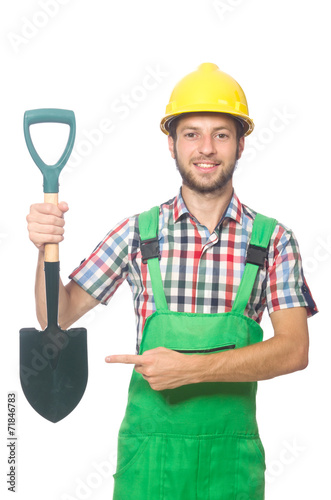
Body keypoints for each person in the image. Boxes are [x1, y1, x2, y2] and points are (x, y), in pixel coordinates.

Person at [27, 63, 317, 499]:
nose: (206, 148)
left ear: (241, 143)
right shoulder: (136, 233)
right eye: (191, 133)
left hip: (231, 472)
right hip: (148, 468)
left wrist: (191, 370)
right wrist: (42, 248)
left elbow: (294, 350)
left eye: (221, 133)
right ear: (171, 143)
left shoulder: (273, 240)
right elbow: (58, 315)